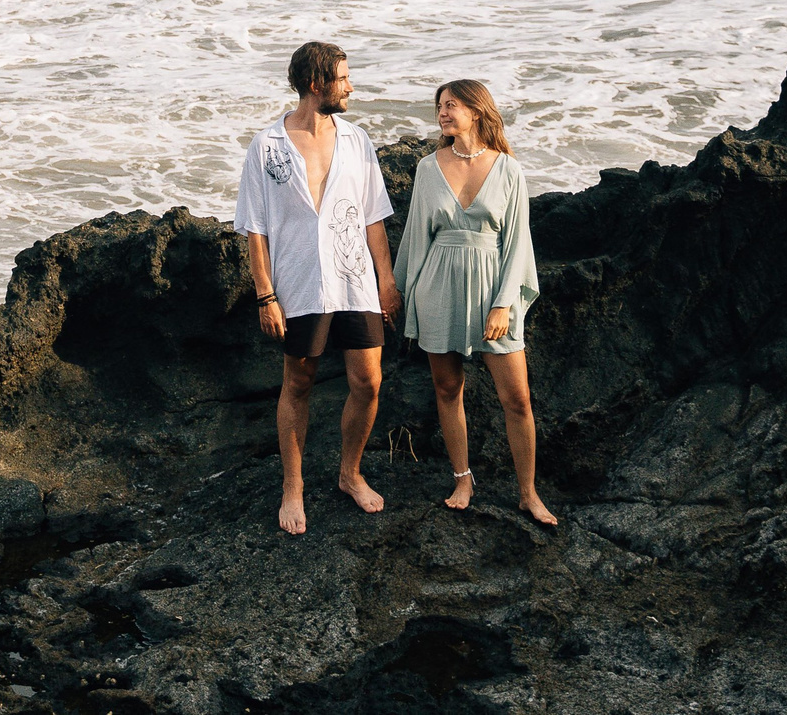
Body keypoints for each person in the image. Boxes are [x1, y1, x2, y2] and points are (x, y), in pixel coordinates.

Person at [235, 40, 401, 535]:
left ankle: (349, 474)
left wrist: (386, 282)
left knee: (368, 381)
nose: (350, 86)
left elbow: (374, 219)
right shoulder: (266, 147)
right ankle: (293, 486)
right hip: (300, 284)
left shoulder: (357, 141)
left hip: (356, 283)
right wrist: (266, 295)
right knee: (298, 384)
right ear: (316, 84)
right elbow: (255, 228)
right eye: (343, 79)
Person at [392, 77, 554, 524]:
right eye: (440, 105)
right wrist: (404, 294)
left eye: (452, 105)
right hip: (438, 287)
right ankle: (463, 478)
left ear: (477, 111)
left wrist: (504, 304)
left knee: (517, 398)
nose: (442, 112)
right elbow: (415, 237)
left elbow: (518, 244)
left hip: (493, 290)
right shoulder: (428, 168)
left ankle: (528, 492)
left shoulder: (508, 169)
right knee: (448, 389)